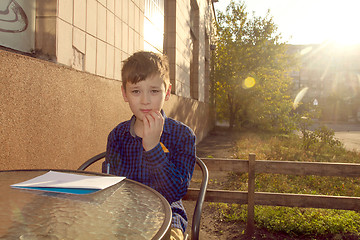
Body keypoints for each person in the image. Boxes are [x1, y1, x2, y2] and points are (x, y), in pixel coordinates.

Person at [102, 51, 196, 240]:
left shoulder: (182, 136)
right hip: (124, 215)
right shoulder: (118, 136)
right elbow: (110, 183)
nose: (145, 100)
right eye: (136, 91)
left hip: (167, 216)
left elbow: (176, 191)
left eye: (154, 91)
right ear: (125, 93)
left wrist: (153, 148)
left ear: (167, 92)